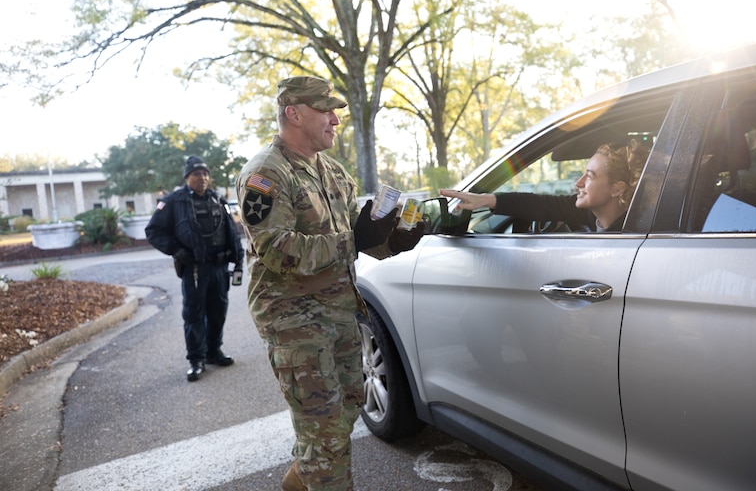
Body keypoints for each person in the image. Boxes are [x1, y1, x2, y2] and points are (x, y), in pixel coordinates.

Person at [235, 76, 425, 491]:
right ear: (294, 113)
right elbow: (277, 250)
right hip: (294, 320)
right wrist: (353, 239)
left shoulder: (335, 173)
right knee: (324, 433)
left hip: (340, 310)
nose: (337, 119)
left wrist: (393, 242)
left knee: (346, 409)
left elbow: (355, 242)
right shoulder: (265, 175)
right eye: (327, 110)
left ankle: (299, 481)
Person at [145, 156, 245, 382]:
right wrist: (176, 249)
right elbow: (153, 231)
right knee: (194, 314)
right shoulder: (174, 201)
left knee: (218, 311)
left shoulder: (217, 199)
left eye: (205, 174)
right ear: (187, 177)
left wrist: (238, 260)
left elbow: (232, 231)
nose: (202, 178)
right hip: (196, 269)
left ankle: (213, 352)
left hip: (219, 267)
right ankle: (196, 359)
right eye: (196, 174)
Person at [440, 140, 650, 232]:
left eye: (590, 176)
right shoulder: (590, 216)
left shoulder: (633, 231)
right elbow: (543, 204)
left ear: (617, 189)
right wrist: (486, 199)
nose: (579, 183)